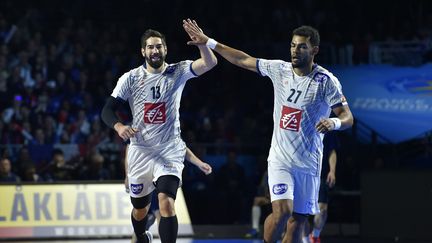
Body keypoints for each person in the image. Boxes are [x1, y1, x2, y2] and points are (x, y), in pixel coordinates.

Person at [183, 20, 354, 243]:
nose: (295, 50)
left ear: (314, 50)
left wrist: (334, 123)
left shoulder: (326, 81)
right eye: (293, 45)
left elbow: (348, 117)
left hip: (309, 163)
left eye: (302, 46)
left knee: (298, 221)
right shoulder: (280, 69)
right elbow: (243, 59)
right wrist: (210, 42)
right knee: (283, 211)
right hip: (280, 160)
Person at [101, 24, 217, 243]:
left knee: (166, 203)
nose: (155, 51)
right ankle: (141, 233)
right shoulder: (131, 78)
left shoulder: (178, 71)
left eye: (159, 47)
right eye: (150, 47)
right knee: (140, 211)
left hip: (169, 150)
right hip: (141, 151)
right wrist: (119, 127)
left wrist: (203, 44)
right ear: (143, 51)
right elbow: (107, 110)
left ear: (166, 49)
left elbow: (210, 63)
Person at [303, 132, 339, 243]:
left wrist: (332, 171)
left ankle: (315, 235)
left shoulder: (327, 128)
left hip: (320, 175)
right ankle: (304, 239)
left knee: (322, 209)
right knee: (301, 212)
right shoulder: (302, 126)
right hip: (302, 173)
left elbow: (332, 151)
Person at [245, 170, 270, 238]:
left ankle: (286, 231)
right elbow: (263, 187)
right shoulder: (267, 172)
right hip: (270, 198)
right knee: (257, 200)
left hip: (283, 199)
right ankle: (255, 229)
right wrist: (267, 195)